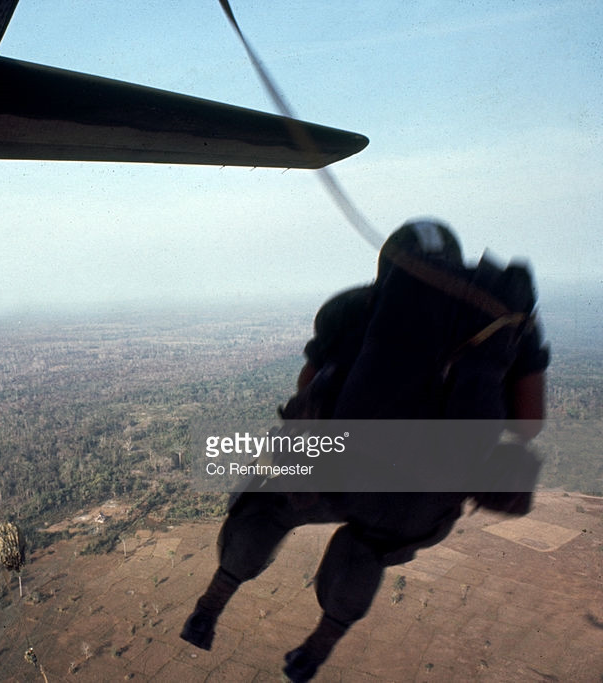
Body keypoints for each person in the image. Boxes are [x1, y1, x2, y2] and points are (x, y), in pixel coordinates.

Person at [180, 219, 549, 682]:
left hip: (341, 464)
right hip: (424, 497)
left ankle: (212, 603)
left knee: (268, 509)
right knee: (369, 548)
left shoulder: (354, 306)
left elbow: (307, 388)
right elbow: (529, 422)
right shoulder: (507, 319)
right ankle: (318, 647)